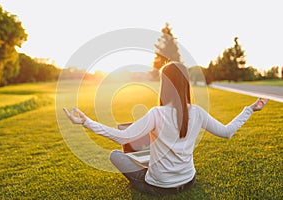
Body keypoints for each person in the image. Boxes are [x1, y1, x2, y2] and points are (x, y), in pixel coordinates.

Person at [63, 62, 268, 196]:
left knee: (116, 155)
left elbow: (121, 137)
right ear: (185, 84)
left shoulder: (156, 114)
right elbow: (227, 132)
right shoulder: (196, 112)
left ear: (165, 85)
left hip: (158, 187)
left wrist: (86, 122)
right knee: (148, 153)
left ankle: (149, 172)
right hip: (189, 180)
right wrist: (250, 109)